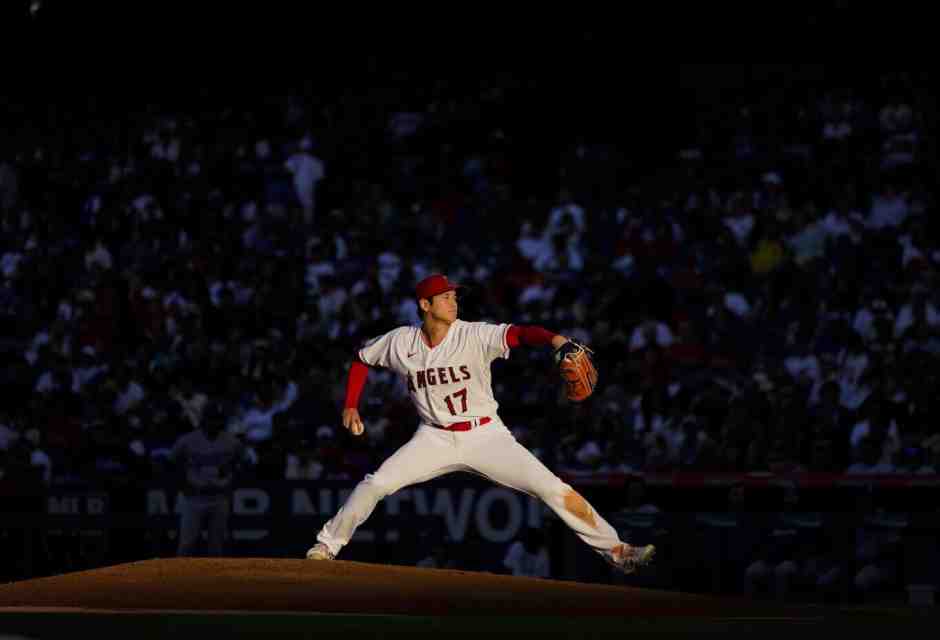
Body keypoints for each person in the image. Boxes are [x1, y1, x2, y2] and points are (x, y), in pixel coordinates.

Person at [305, 274, 655, 575]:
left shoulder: (473, 334)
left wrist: (557, 340)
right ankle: (325, 546)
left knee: (553, 489)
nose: (453, 301)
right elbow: (361, 359)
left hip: (486, 435)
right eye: (444, 297)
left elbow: (520, 333)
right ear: (425, 305)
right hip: (433, 437)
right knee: (375, 484)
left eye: (454, 296)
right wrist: (351, 404)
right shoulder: (401, 341)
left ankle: (618, 552)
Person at [169, 400, 250, 556]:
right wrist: (182, 485)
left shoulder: (231, 442)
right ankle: (179, 579)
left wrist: (233, 481)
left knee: (216, 546)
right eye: (211, 418)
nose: (214, 422)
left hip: (219, 497)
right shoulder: (188, 440)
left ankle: (216, 580)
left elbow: (246, 463)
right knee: (187, 544)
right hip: (194, 497)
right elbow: (172, 463)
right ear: (203, 420)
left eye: (217, 419)